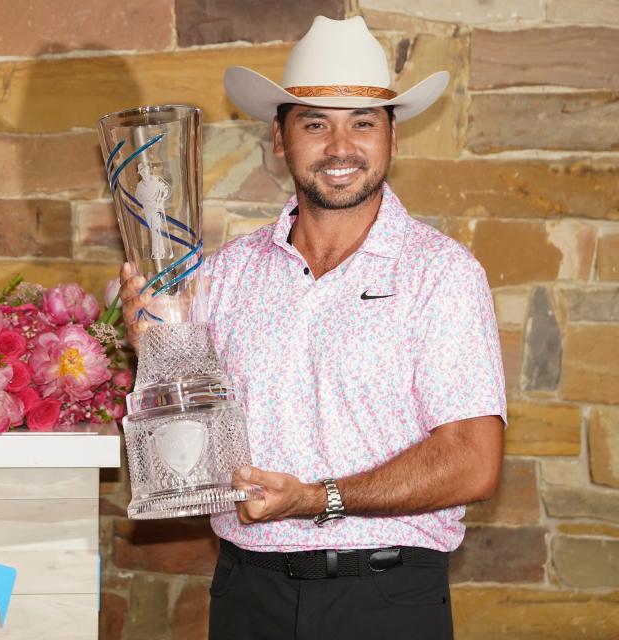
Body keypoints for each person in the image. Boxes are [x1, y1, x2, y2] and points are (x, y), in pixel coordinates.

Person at [119, 15, 506, 640]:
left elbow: (473, 462)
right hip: (247, 594)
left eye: (363, 123)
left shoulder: (441, 274)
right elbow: (188, 442)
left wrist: (316, 498)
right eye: (315, 123)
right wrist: (157, 352)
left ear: (392, 138)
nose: (340, 147)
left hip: (386, 600)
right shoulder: (224, 275)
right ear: (279, 138)